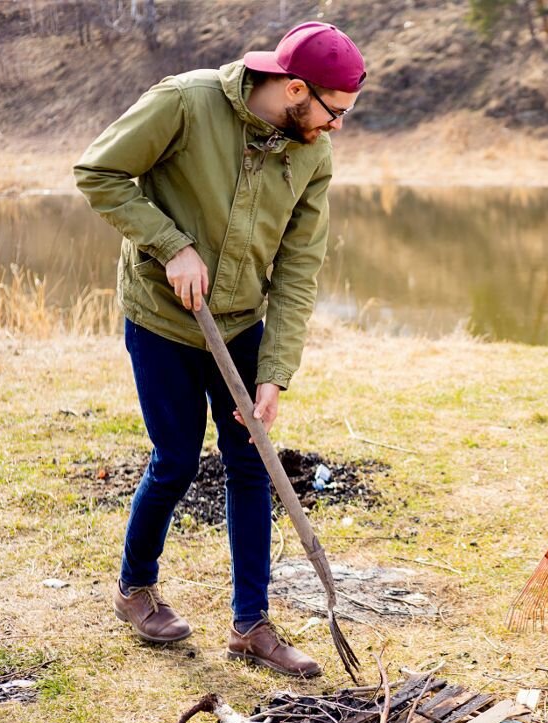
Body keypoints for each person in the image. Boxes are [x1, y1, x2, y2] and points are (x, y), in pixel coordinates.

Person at [74, 22, 366, 678]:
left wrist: (276, 374)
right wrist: (169, 244)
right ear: (295, 88)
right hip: (163, 318)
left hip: (241, 324)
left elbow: (298, 268)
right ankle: (135, 589)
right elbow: (100, 172)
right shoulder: (185, 102)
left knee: (253, 461)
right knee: (175, 461)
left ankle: (251, 624)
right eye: (334, 112)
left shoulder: (311, 153)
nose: (338, 127)